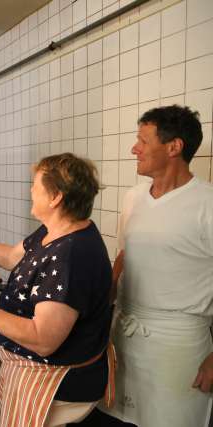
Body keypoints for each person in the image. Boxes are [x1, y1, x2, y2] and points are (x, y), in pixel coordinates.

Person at [0, 153, 115, 427]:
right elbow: (11, 257)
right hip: (32, 368)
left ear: (56, 198)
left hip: (55, 378)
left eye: (35, 185)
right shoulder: (55, 230)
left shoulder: (70, 256)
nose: (30, 190)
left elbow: (44, 339)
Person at [97, 105, 213, 427]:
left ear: (174, 147)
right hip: (124, 335)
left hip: (177, 348)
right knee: (117, 418)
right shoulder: (133, 197)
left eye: (143, 141)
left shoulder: (207, 204)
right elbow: (124, 257)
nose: (134, 148)